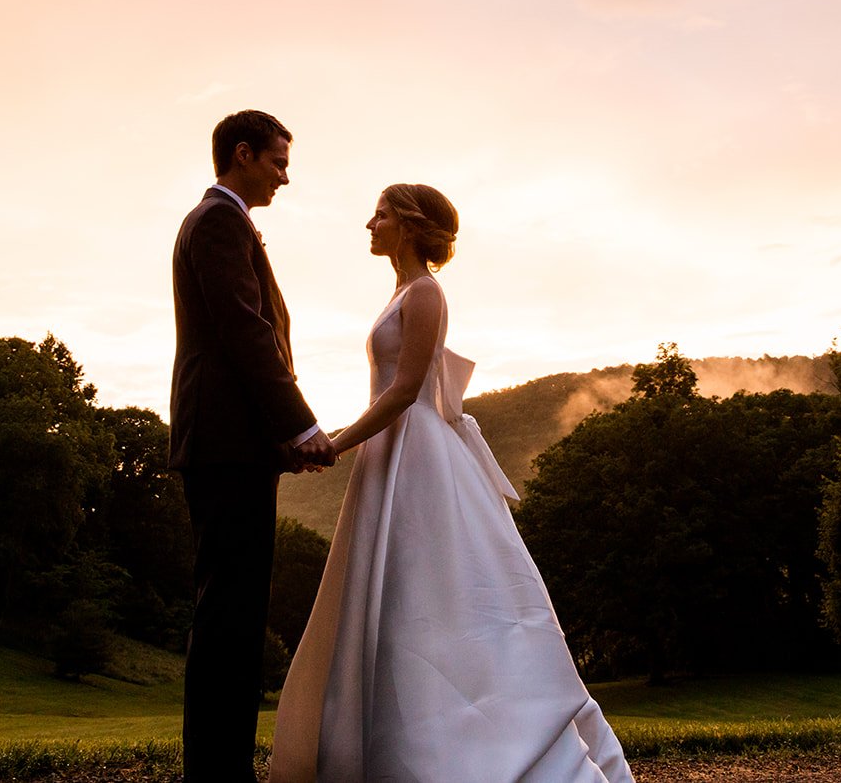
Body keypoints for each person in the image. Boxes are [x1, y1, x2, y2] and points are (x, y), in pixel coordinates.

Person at [270, 184, 634, 783]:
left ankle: (459, 745)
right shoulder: (401, 292)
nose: (370, 222)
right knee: (391, 597)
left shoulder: (427, 292)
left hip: (415, 456)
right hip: (390, 456)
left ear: (409, 225)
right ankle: (391, 744)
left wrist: (334, 443)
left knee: (427, 593)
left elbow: (406, 391)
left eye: (381, 214)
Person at [170, 109, 337, 783]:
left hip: (235, 441)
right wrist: (297, 424)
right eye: (278, 162)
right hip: (225, 443)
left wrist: (278, 433)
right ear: (242, 154)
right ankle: (218, 772)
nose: (285, 177)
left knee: (233, 610)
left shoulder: (223, 222)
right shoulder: (217, 221)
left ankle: (221, 767)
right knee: (229, 614)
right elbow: (245, 331)